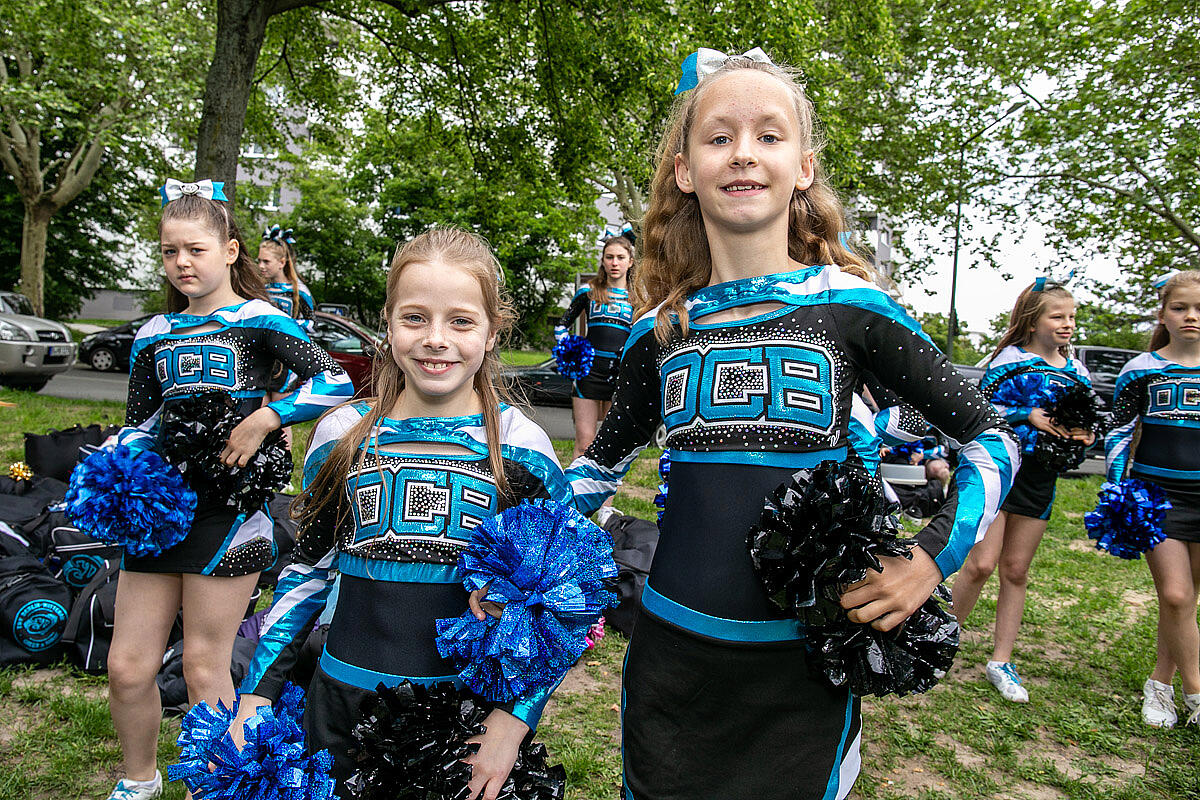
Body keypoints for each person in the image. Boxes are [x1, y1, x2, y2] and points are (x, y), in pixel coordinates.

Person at [564, 49, 1017, 800]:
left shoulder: (852, 306)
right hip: (671, 657)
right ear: (685, 171)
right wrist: (522, 563)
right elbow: (597, 467)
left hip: (800, 666)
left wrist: (933, 557)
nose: (743, 153)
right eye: (718, 137)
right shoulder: (658, 332)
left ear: (803, 167)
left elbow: (992, 435)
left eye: (768, 136)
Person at [231, 227, 572, 798]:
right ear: (387, 326)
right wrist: (257, 693)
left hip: (462, 722)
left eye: (461, 321)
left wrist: (513, 722)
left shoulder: (523, 447)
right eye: (415, 318)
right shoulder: (341, 435)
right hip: (340, 706)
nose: (436, 339)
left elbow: (562, 599)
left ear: (492, 334)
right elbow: (307, 572)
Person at [104, 181, 354, 800]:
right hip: (160, 514)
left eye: (194, 249)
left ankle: (214, 788)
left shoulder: (261, 320)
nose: (182, 263)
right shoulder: (152, 333)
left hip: (232, 514)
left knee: (203, 666)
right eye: (169, 252)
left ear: (229, 250)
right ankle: (139, 780)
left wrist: (269, 416)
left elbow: (336, 378)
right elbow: (142, 419)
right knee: (127, 668)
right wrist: (121, 457)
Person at [950, 280, 1094, 703]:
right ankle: (939, 639)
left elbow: (1083, 417)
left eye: (1071, 317)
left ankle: (1001, 660)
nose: (1067, 325)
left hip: (1041, 478)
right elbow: (978, 410)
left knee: (1016, 570)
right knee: (980, 565)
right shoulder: (1008, 361)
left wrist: (1080, 434)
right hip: (1000, 469)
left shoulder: (1078, 371)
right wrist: (1024, 414)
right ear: (1033, 322)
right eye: (1057, 316)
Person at [1106, 270, 1200, 728]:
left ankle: (1160, 686)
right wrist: (1116, 489)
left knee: (1184, 602)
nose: (1191, 316)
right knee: (1177, 593)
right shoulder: (1141, 369)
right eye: (1180, 307)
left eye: (1199, 308)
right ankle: (1197, 695)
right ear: (1163, 313)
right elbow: (1120, 433)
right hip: (1154, 495)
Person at [554, 234, 635, 462]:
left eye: (620, 257)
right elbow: (561, 325)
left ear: (630, 261)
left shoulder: (639, 297)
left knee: (611, 446)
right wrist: (569, 348)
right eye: (609, 257)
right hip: (588, 374)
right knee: (584, 443)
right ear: (603, 260)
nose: (614, 263)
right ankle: (576, 496)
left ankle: (606, 499)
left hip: (620, 376)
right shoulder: (588, 292)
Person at [258, 224, 315, 326]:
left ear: (282, 262)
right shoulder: (260, 289)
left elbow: (313, 324)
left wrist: (286, 325)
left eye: (266, 262)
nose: (261, 266)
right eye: (259, 261)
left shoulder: (299, 291)